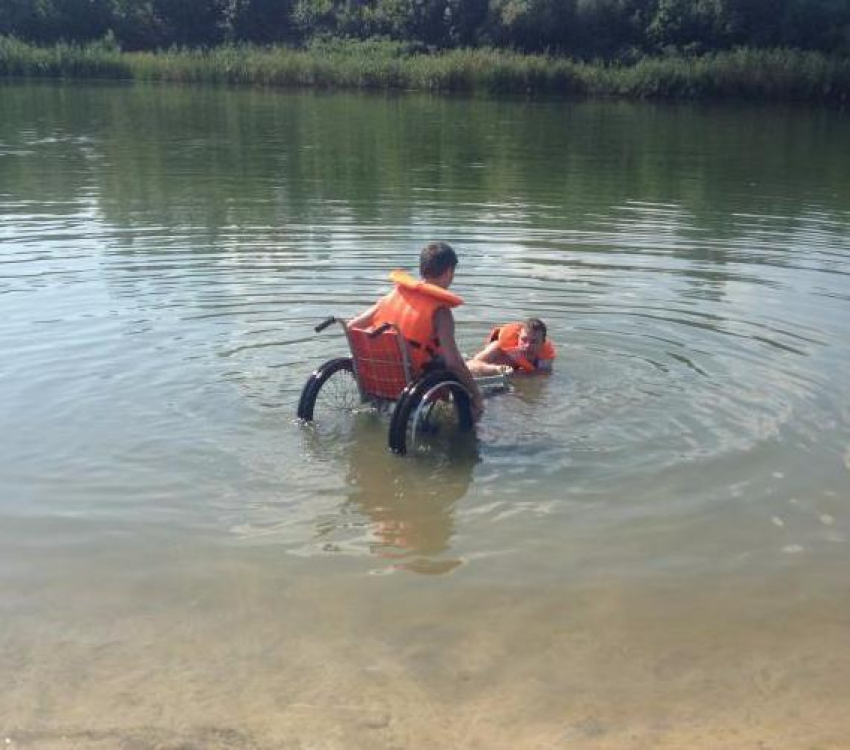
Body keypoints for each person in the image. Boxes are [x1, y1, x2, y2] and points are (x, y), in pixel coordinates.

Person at [348, 241, 485, 421]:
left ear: (422, 269)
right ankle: (465, 429)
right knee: (456, 367)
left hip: (378, 370)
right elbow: (453, 363)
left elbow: (352, 327)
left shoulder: (395, 293)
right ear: (449, 272)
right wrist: (476, 394)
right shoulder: (441, 311)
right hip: (413, 376)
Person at [466, 318, 556, 376]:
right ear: (518, 337)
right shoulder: (499, 347)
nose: (527, 346)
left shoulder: (545, 359)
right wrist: (495, 369)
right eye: (524, 340)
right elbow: (469, 365)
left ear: (542, 343)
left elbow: (543, 377)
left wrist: (524, 375)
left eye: (534, 342)